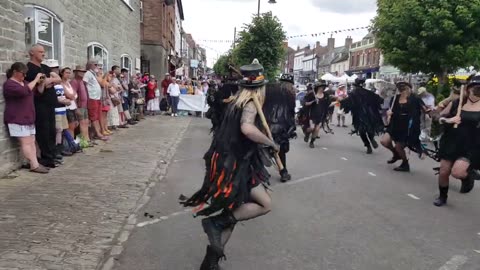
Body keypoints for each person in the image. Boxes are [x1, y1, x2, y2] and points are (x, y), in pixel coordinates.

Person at [180, 59, 277, 270]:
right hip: (234, 165)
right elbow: (247, 129)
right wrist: (270, 142)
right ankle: (216, 223)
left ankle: (210, 263)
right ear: (260, 86)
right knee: (265, 204)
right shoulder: (250, 103)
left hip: (228, 160)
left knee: (234, 210)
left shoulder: (235, 101)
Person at [433, 76, 480, 206]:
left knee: (457, 172)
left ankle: (467, 177)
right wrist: (448, 120)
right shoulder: (457, 103)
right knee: (443, 172)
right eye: (476, 87)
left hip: (471, 145)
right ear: (469, 88)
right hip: (451, 142)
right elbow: (436, 115)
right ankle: (442, 196)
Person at [3, 62, 49, 173]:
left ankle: (34, 163)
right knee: (26, 142)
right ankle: (34, 165)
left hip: (28, 117)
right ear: (15, 72)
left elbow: (37, 92)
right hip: (17, 118)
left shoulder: (25, 83)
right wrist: (35, 79)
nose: (24, 76)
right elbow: (24, 91)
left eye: (25, 74)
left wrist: (41, 83)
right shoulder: (9, 84)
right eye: (22, 74)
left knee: (32, 141)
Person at [26, 44, 62, 168]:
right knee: (43, 130)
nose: (43, 54)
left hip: (50, 103)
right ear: (32, 53)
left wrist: (48, 80)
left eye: (43, 51)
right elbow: (38, 84)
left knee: (52, 129)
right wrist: (47, 81)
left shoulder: (45, 67)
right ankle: (46, 157)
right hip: (39, 103)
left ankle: (52, 155)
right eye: (40, 51)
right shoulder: (29, 68)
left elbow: (58, 79)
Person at [381, 82, 428, 172]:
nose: (402, 90)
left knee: (399, 146)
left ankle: (405, 163)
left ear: (409, 88)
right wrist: (389, 114)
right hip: (395, 124)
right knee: (384, 141)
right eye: (400, 88)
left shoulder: (415, 99)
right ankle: (396, 154)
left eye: (404, 88)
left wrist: (430, 111)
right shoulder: (395, 98)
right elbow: (390, 110)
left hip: (407, 126)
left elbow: (424, 109)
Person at [264, 74, 297, 182]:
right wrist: (291, 127)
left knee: (270, 149)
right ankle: (283, 172)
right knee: (279, 150)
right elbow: (291, 114)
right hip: (281, 127)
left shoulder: (271, 91)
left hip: (269, 124)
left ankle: (282, 172)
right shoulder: (290, 95)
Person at [340, 78, 384, 154]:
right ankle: (372, 139)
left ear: (355, 85)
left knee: (361, 131)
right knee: (369, 128)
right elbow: (380, 100)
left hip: (359, 115)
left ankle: (368, 146)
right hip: (370, 114)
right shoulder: (369, 92)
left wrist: (340, 101)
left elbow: (348, 102)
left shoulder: (353, 93)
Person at [303, 80, 336, 148]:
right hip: (311, 115)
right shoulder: (312, 95)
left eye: (323, 87)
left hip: (320, 115)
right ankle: (307, 133)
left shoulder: (325, 95)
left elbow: (328, 104)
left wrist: (337, 102)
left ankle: (312, 142)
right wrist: (313, 101)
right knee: (312, 128)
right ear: (317, 87)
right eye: (321, 87)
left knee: (317, 129)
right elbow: (305, 103)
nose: (322, 88)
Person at [84, 60, 108, 141]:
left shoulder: (93, 74)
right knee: (93, 117)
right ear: (90, 65)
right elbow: (84, 84)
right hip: (92, 97)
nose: (97, 66)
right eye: (95, 64)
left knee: (97, 116)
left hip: (97, 97)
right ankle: (98, 133)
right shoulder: (88, 73)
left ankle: (95, 133)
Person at [70, 65, 92, 147]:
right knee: (81, 124)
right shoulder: (74, 82)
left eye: (84, 71)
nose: (83, 73)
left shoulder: (82, 81)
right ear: (76, 72)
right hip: (79, 106)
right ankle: (83, 142)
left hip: (84, 106)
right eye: (81, 71)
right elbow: (73, 96)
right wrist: (76, 107)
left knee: (85, 123)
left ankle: (87, 140)